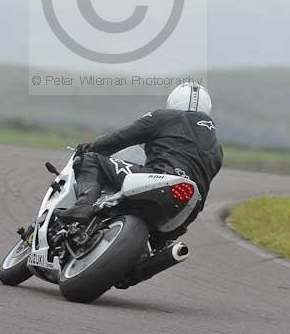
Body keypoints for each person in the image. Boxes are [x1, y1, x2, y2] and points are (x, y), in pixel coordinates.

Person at [61, 82, 223, 227]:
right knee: (157, 247)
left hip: (160, 181)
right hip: (188, 207)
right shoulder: (217, 147)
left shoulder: (163, 117)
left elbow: (120, 138)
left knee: (92, 160)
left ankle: (83, 205)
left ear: (172, 101)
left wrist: (88, 148)